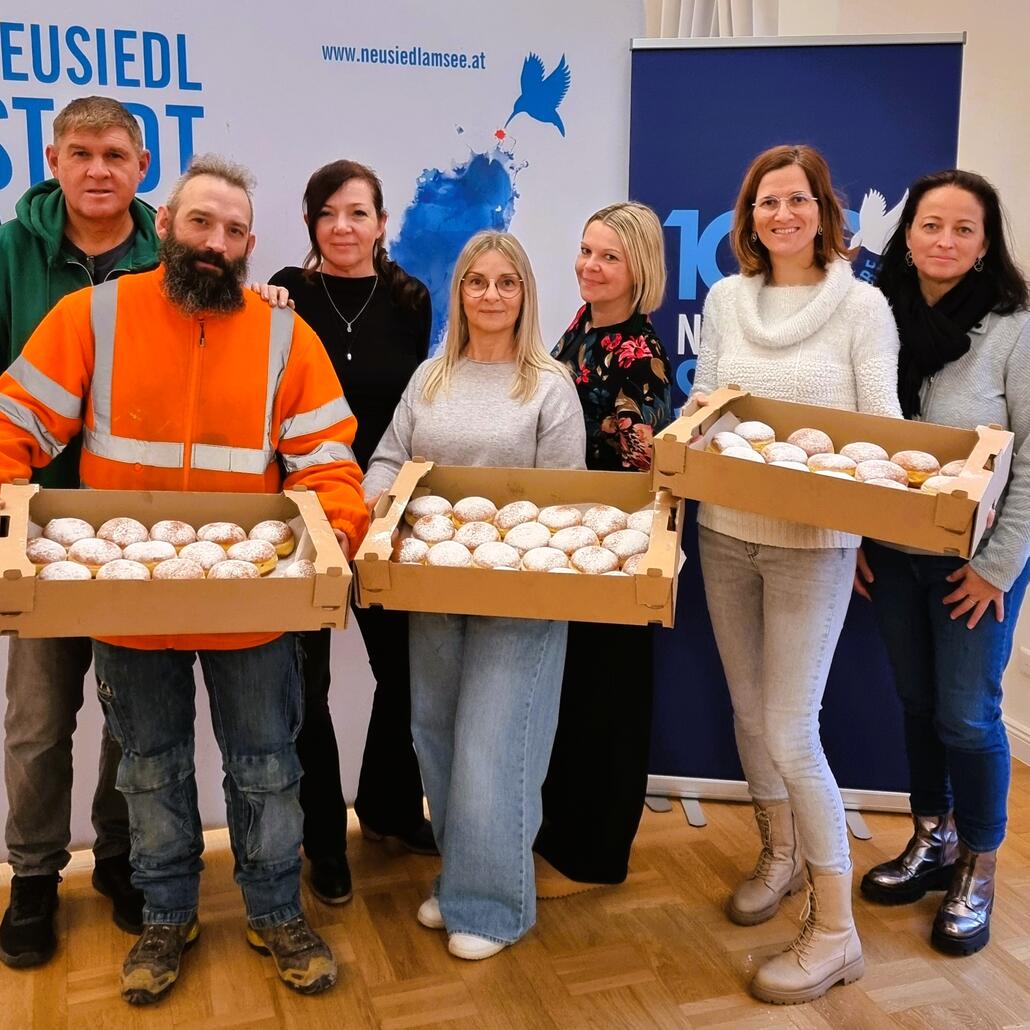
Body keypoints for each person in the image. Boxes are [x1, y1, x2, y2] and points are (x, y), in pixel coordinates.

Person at [0, 154, 369, 1004]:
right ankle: (166, 917)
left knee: (268, 769)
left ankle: (276, 912)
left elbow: (327, 459)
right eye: (201, 222)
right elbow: (14, 423)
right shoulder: (92, 315)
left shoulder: (285, 335)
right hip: (131, 600)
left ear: (249, 246)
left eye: (235, 231)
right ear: (163, 225)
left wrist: (331, 537)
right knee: (149, 772)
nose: (217, 242)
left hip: (251, 604)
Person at [691, 144, 902, 1004]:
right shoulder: (726, 299)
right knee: (750, 715)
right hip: (724, 533)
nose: (782, 214)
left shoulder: (863, 306)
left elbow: (883, 431)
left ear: (824, 210)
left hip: (813, 547)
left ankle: (836, 931)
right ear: (749, 217)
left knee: (790, 729)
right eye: (766, 201)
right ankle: (777, 855)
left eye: (797, 199)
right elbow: (708, 409)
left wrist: (847, 513)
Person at [362, 231, 586, 959]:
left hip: (520, 595)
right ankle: (464, 880)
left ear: (526, 294)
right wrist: (376, 502)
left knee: (497, 747)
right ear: (459, 293)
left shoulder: (548, 387)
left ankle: (493, 908)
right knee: (438, 737)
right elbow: (388, 458)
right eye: (477, 282)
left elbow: (563, 504)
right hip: (433, 585)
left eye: (506, 282)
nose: (491, 295)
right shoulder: (431, 378)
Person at [856, 170, 1030, 956]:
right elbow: (859, 444)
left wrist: (996, 567)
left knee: (967, 714)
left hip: (978, 564)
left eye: (965, 228)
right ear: (909, 234)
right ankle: (933, 836)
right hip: (894, 556)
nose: (945, 241)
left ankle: (978, 866)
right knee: (918, 702)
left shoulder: (1014, 329)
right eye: (931, 225)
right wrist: (857, 537)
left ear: (986, 243)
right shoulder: (877, 315)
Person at [0, 95, 156, 968]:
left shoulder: (172, 260)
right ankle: (32, 877)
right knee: (37, 719)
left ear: (142, 167)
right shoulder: (9, 254)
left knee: (135, 715)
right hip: (38, 530)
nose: (98, 169)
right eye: (82, 153)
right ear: (54, 160)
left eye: (115, 154)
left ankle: (120, 855)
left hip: (142, 532)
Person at [266, 160, 435, 908]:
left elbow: (412, 411)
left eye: (357, 213)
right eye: (328, 213)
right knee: (309, 687)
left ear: (381, 223)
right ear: (311, 224)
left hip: (386, 518)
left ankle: (391, 808)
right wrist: (261, 302)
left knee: (405, 675)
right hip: (305, 517)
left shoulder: (410, 300)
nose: (342, 227)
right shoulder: (285, 294)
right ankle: (324, 842)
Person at [537, 201, 672, 895]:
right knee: (576, 698)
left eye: (609, 257)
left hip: (617, 549)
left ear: (638, 268)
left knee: (609, 703)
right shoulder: (582, 326)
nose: (591, 266)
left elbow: (640, 470)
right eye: (587, 250)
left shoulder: (639, 354)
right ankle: (562, 836)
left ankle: (595, 856)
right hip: (574, 541)